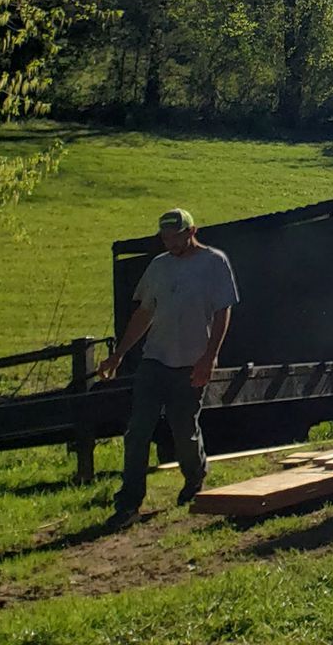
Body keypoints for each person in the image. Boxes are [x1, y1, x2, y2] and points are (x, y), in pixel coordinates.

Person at [97, 207, 239, 525]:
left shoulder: (214, 262)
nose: (170, 243)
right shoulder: (159, 267)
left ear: (192, 232)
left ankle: (195, 476)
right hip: (154, 360)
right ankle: (129, 503)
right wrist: (118, 354)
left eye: (176, 237)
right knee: (137, 431)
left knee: (184, 430)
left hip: (191, 362)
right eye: (165, 238)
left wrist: (209, 357)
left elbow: (222, 313)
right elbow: (144, 313)